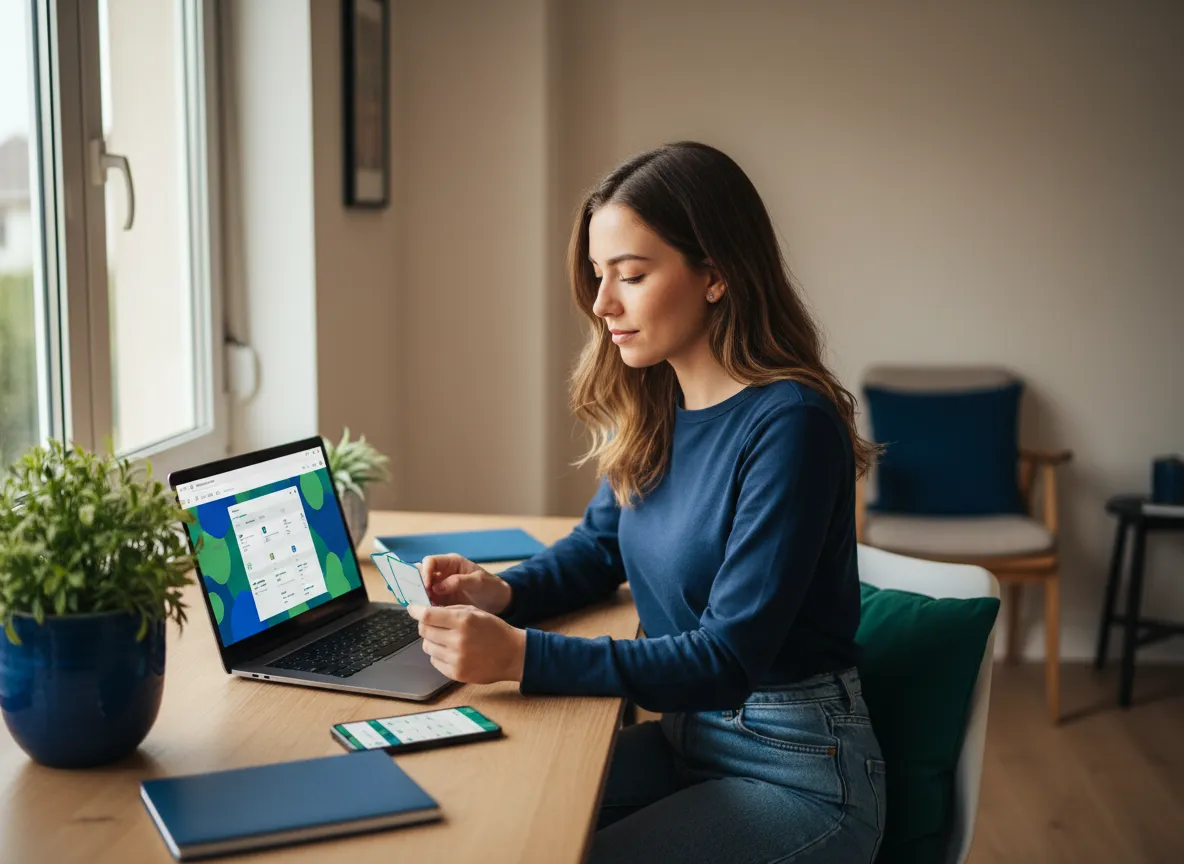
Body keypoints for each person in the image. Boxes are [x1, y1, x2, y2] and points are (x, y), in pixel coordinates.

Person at [405, 141, 885, 863]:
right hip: (688, 737)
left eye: (630, 275)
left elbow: (727, 658)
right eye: (599, 275)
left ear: (715, 274)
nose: (603, 304)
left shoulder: (791, 425)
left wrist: (522, 656)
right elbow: (599, 547)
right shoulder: (659, 399)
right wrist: (503, 592)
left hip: (796, 771)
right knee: (495, 816)